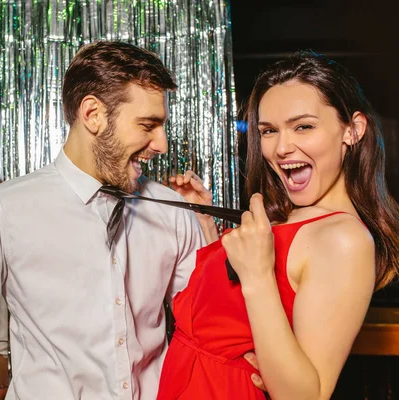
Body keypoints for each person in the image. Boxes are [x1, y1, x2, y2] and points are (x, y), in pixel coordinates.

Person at [0, 40, 224, 400]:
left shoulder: (172, 209)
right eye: (148, 125)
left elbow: (211, 329)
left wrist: (208, 232)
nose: (162, 144)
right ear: (93, 114)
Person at [157, 50, 399, 399]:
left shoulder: (344, 239)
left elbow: (304, 396)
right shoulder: (290, 215)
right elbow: (226, 320)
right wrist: (207, 223)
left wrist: (257, 277)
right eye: (269, 131)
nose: (282, 147)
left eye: (304, 126)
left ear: (352, 130)